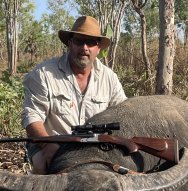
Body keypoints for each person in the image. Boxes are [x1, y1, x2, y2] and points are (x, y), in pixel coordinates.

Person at [21, 16, 127, 174]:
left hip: (95, 147)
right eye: (79, 41)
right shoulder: (44, 74)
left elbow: (123, 113)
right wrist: (48, 144)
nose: (84, 47)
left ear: (98, 48)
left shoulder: (109, 78)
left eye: (90, 42)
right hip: (52, 142)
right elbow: (32, 116)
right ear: (69, 43)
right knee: (41, 167)